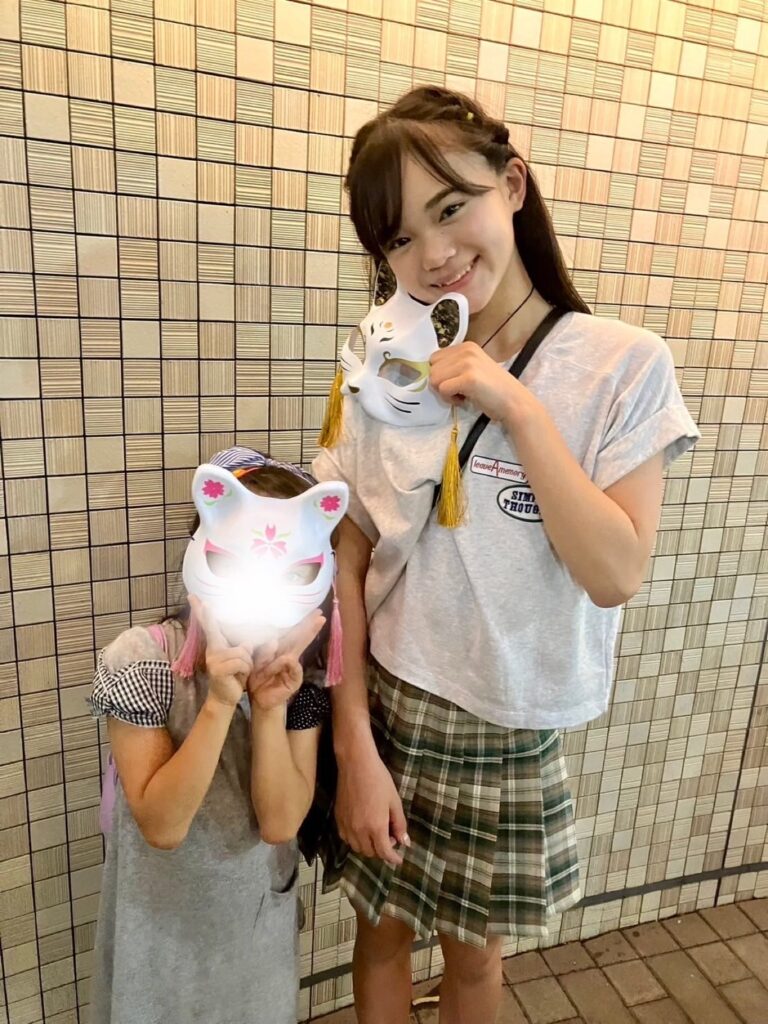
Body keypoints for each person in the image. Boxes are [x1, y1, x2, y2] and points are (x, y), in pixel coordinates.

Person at [312, 85, 700, 1024]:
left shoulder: (623, 364)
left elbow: (615, 573)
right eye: (399, 238)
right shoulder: (385, 366)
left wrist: (516, 406)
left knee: (476, 965)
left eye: (452, 208)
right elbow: (348, 559)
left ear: (513, 185)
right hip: (389, 700)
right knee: (379, 936)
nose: (433, 254)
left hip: (508, 720)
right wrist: (353, 741)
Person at [87, 447, 343, 1024]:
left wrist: (269, 707)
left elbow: (280, 823)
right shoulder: (143, 661)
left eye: (292, 570)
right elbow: (162, 825)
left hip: (255, 933)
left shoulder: (300, 680)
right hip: (156, 934)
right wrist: (221, 702)